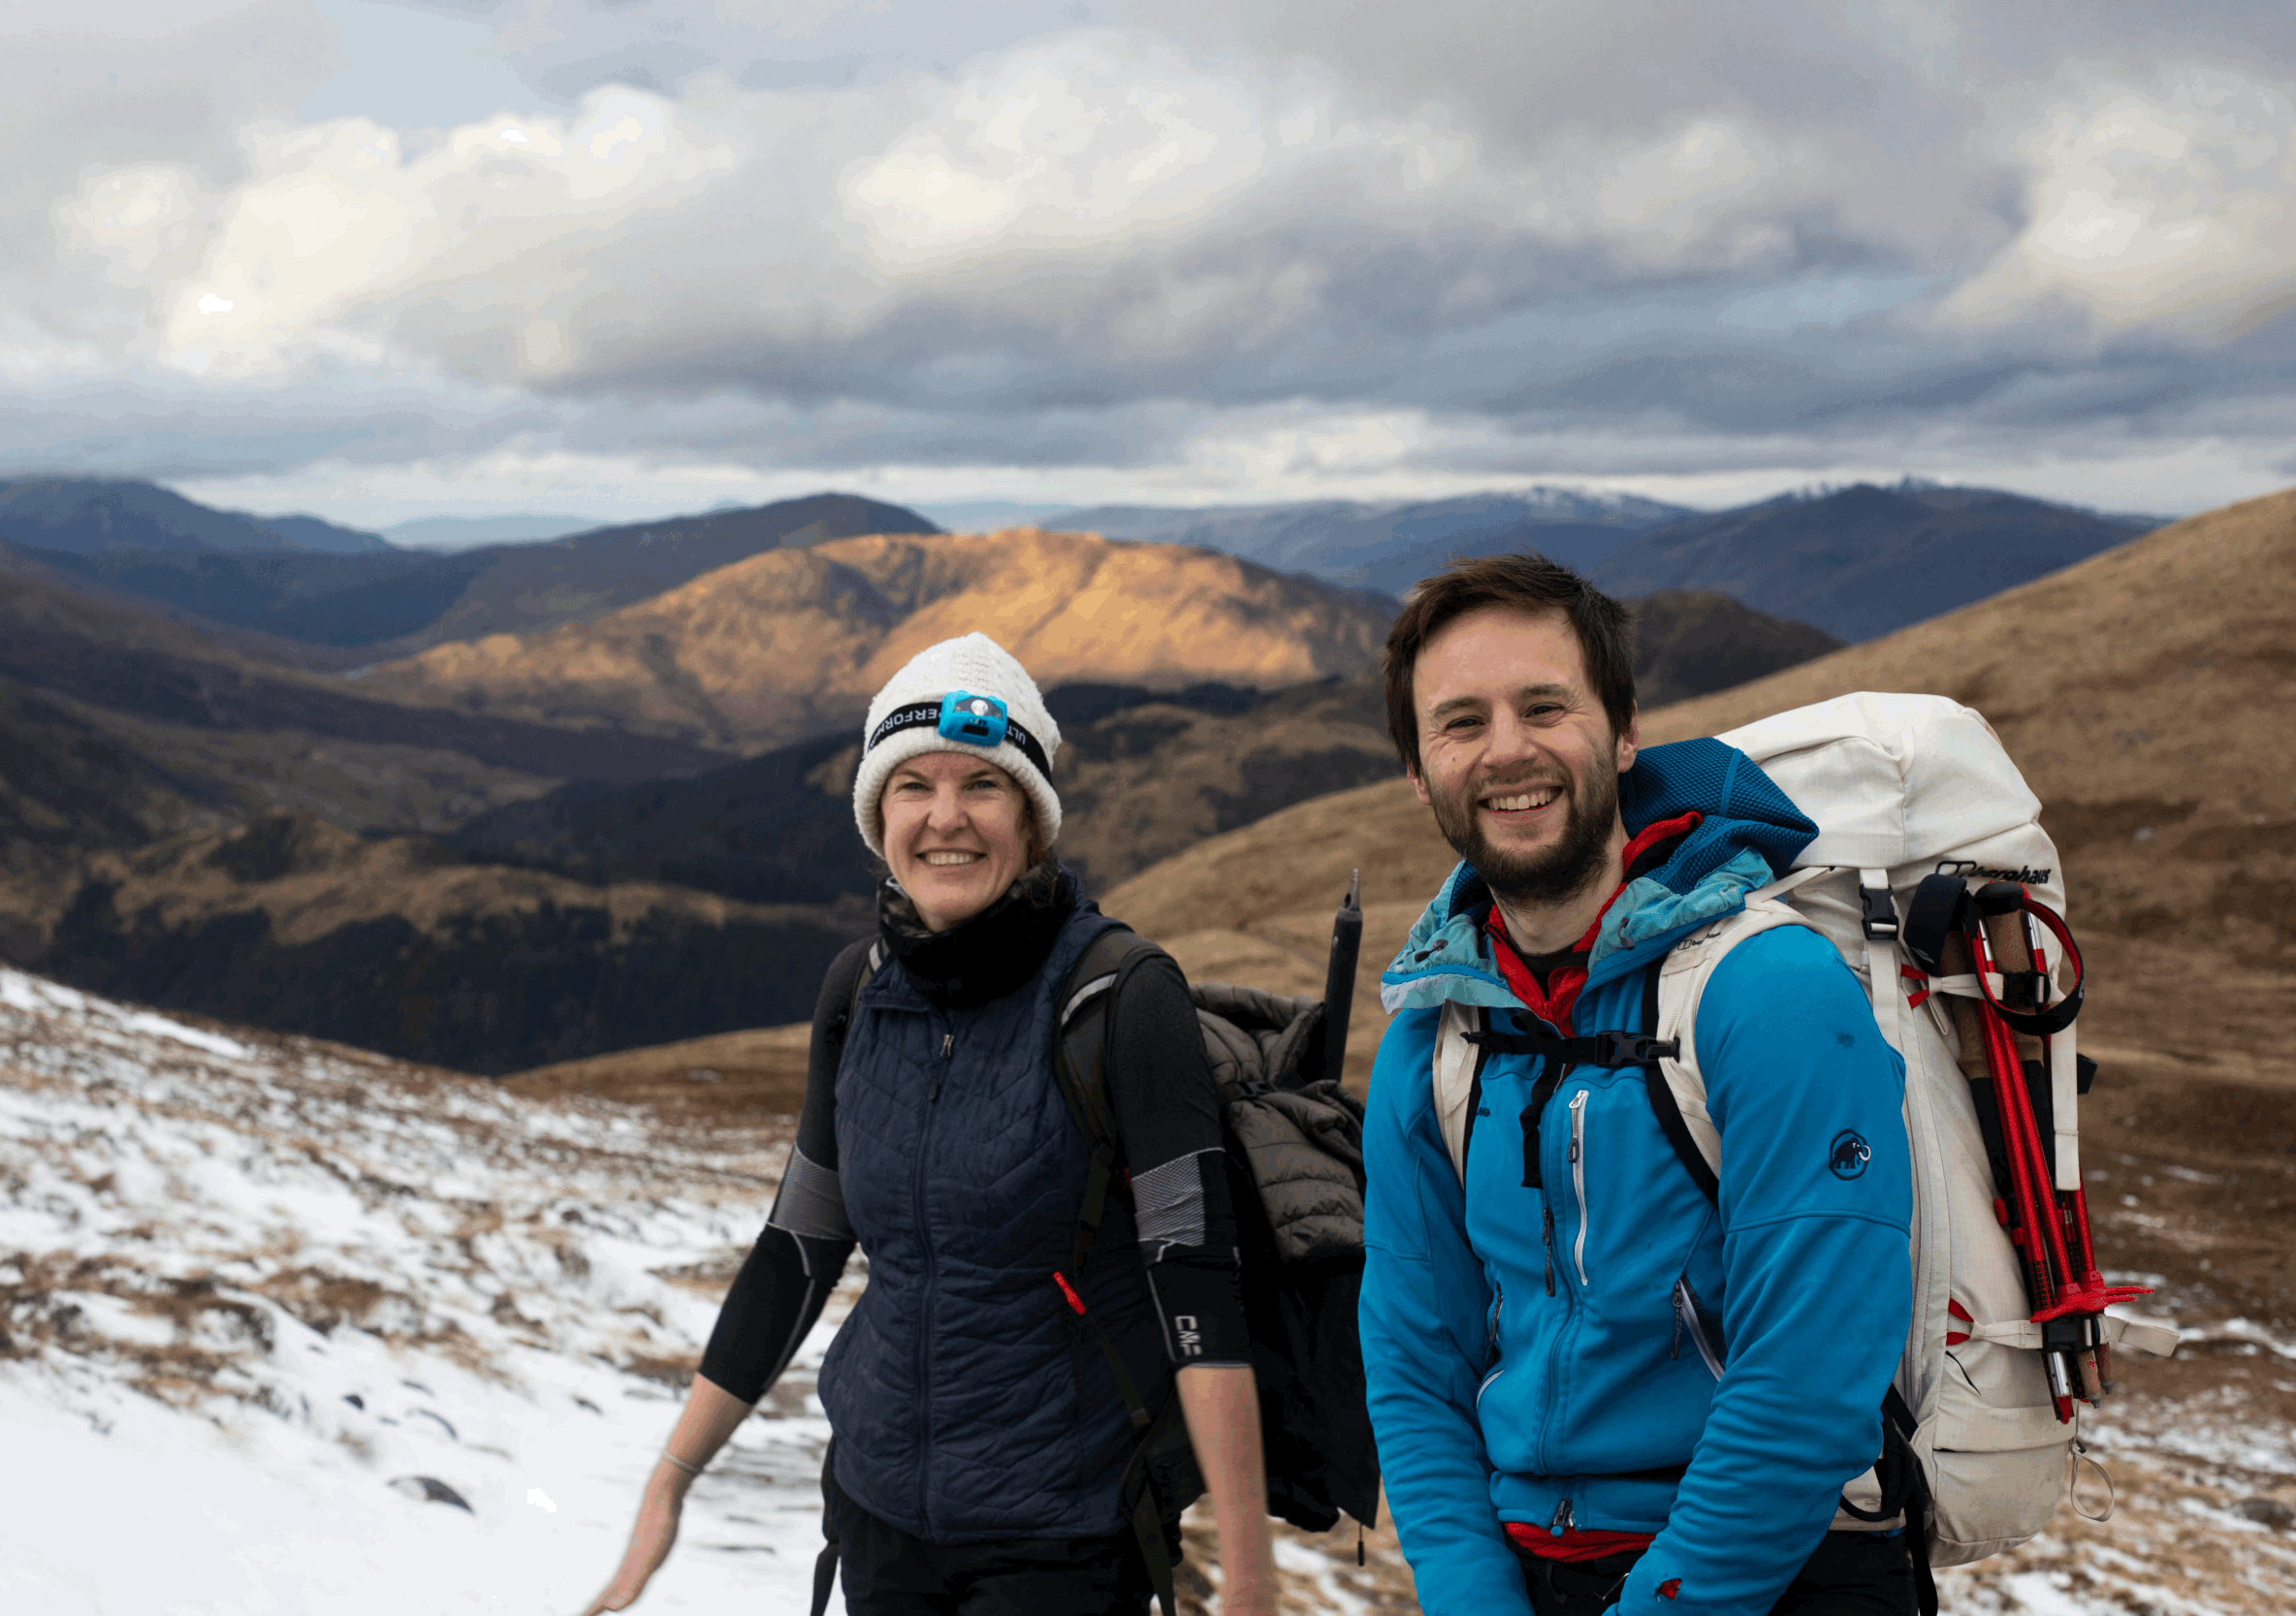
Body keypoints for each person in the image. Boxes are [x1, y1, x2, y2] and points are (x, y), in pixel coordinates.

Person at [579, 632, 1279, 1616]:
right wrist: (669, 1481)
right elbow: (798, 1246)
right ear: (878, 815)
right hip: (875, 1520)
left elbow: (1195, 1275)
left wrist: (1248, 1575)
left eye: (982, 785)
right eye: (912, 785)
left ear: (1031, 819)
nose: (946, 817)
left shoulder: (1121, 994)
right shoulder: (857, 988)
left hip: (1062, 1536)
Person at [1357, 556, 1916, 1615]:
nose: (1507, 750)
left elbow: (1806, 1379)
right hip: (1527, 1574)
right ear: (1420, 773)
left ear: (1621, 734)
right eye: (1460, 722)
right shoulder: (1432, 1036)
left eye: (1544, 706)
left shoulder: (1768, 992)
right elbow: (1413, 1360)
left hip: (1778, 1570)